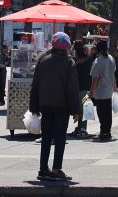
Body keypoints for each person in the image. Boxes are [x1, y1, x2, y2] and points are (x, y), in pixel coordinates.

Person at [29, 32, 80, 181]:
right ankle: (57, 168)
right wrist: (76, 110)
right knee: (59, 138)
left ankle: (43, 169)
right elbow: (72, 88)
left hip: (45, 105)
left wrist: (34, 106)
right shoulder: (69, 63)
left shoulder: (43, 60)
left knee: (46, 138)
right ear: (67, 46)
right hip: (61, 106)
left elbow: (35, 85)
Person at [88, 40, 118, 141]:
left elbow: (95, 78)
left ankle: (103, 132)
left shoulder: (98, 60)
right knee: (107, 113)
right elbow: (113, 74)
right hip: (109, 90)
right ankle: (107, 132)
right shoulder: (111, 58)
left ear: (98, 50)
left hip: (100, 91)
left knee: (101, 112)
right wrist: (115, 86)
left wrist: (92, 91)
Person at [71, 40, 93, 137]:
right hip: (85, 87)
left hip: (75, 87)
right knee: (83, 109)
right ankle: (82, 128)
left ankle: (80, 128)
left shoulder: (73, 61)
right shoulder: (89, 60)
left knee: (79, 109)